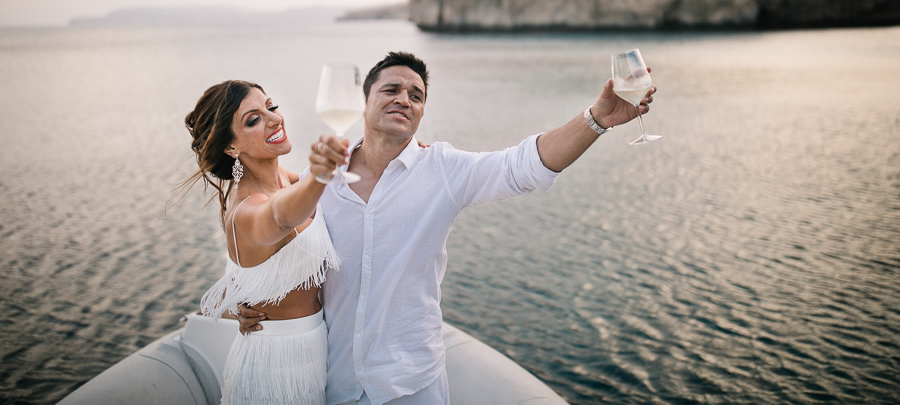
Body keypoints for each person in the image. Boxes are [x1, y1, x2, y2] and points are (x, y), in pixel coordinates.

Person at [240, 52, 658, 405]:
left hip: (412, 385)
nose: (404, 99)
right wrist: (255, 305)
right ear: (363, 100)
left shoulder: (442, 169)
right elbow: (275, 241)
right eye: (391, 90)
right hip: (337, 384)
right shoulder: (319, 178)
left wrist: (597, 118)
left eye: (416, 96)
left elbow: (524, 166)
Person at [182, 80, 346, 405]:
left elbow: (348, 169)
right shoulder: (246, 209)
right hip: (273, 364)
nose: (274, 119)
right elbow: (280, 217)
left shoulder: (284, 178)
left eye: (270, 106)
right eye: (253, 119)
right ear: (231, 148)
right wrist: (322, 173)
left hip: (315, 349)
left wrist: (405, 146)